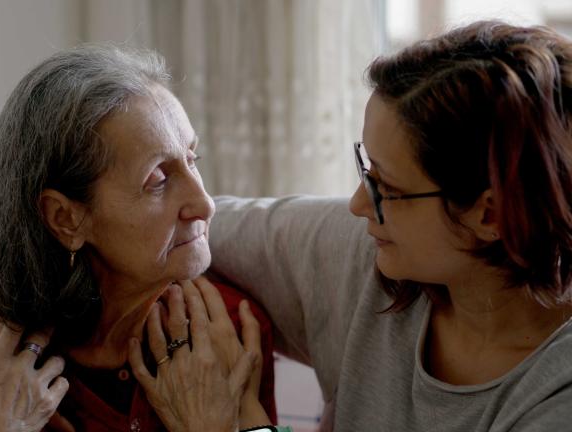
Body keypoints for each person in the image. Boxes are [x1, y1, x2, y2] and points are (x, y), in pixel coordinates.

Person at [135, 21, 572, 431]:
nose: (359, 203)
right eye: (366, 168)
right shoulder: (367, 253)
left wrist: (237, 424)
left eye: (387, 186)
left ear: (489, 214)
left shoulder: (556, 395)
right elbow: (181, 226)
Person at [0, 45, 277, 432]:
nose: (204, 204)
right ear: (66, 219)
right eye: (158, 180)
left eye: (192, 160)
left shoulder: (228, 332)